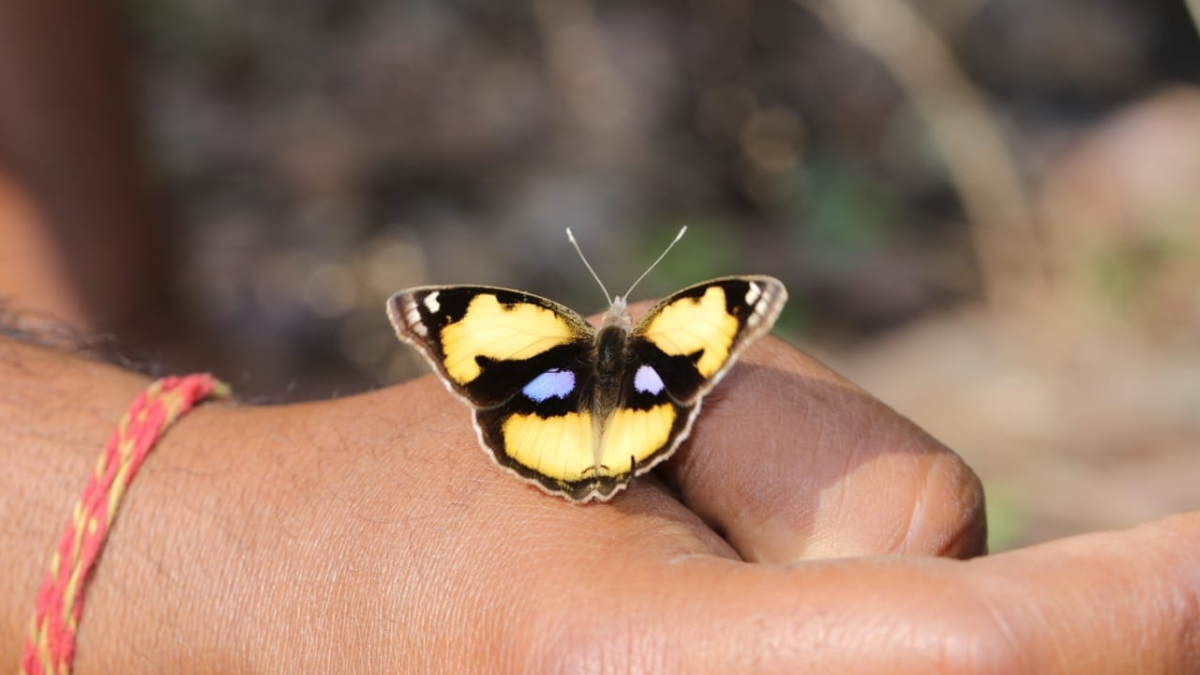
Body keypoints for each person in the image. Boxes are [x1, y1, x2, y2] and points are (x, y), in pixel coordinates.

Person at [1, 5, 1197, 673]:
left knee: (596, 417)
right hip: (623, 400)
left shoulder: (535, 336)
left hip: (553, 406)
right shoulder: (671, 333)